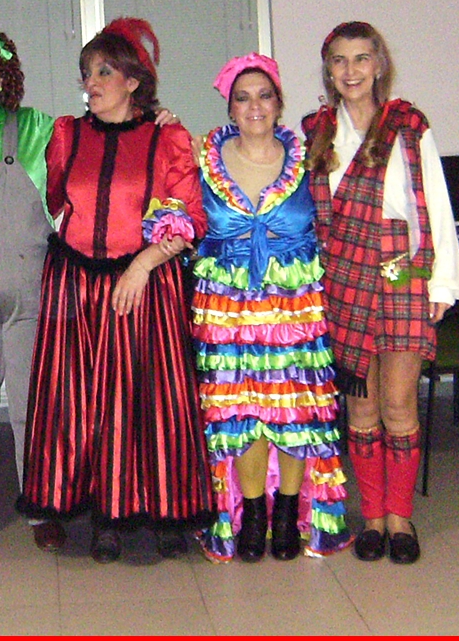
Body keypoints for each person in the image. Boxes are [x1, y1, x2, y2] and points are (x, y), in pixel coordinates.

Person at [0, 23, 182, 557]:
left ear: (1, 77)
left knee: (41, 409)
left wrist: (155, 120)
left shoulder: (39, 129)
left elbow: (84, 171)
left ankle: (42, 507)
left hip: (33, 295)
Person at [15, 17, 215, 563]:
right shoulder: (66, 134)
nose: (92, 82)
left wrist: (143, 265)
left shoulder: (168, 137)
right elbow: (56, 202)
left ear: (133, 81)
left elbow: (190, 219)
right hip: (76, 284)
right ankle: (105, 515)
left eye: (105, 71)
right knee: (87, 402)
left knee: (152, 399)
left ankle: (166, 511)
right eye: (87, 72)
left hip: (145, 283)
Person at [301, 21, 459, 564]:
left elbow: (435, 202)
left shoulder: (409, 126)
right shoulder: (316, 132)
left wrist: (443, 282)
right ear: (328, 70)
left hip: (402, 274)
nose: (350, 70)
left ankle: (400, 518)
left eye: (361, 59)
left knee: (398, 405)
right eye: (339, 60)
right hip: (342, 279)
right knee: (361, 406)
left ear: (378, 65)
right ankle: (372, 517)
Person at [191, 53, 353, 563]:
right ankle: (253, 513)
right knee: (241, 414)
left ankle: (287, 511)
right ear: (230, 108)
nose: (254, 106)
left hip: (293, 308)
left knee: (294, 409)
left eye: (264, 95)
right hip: (227, 311)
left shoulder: (311, 159)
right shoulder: (202, 160)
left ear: (279, 103)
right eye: (243, 98)